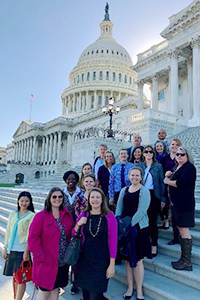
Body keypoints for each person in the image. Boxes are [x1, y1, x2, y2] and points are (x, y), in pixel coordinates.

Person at [28, 187, 74, 299]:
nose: (57, 199)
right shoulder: (41, 216)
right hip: (46, 262)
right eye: (54, 197)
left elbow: (71, 233)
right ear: (49, 198)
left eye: (60, 197)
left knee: (55, 290)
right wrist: (41, 256)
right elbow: (33, 238)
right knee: (44, 291)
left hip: (62, 262)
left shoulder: (67, 214)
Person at [74, 187, 117, 300]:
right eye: (92, 197)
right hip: (85, 260)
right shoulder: (84, 215)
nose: (95, 200)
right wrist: (78, 224)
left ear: (102, 200)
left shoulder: (109, 216)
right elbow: (73, 233)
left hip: (101, 261)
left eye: (98, 197)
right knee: (86, 295)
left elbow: (113, 241)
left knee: (95, 295)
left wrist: (112, 264)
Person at [116, 167, 151, 300]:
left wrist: (129, 224)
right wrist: (118, 222)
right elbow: (119, 207)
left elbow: (142, 211)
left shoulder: (145, 191)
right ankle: (130, 288)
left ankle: (140, 290)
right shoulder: (124, 190)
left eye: (137, 176)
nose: (135, 178)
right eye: (132, 175)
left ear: (141, 177)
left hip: (138, 229)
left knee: (138, 260)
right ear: (129, 176)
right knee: (127, 260)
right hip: (125, 229)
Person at [164, 148, 196, 271]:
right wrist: (169, 174)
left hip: (184, 205)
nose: (179, 156)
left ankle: (187, 261)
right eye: (177, 154)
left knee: (184, 231)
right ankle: (183, 259)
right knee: (180, 229)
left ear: (187, 156)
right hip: (177, 205)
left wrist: (168, 181)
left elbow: (182, 183)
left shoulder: (189, 167)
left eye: (182, 154)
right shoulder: (178, 167)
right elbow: (175, 176)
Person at [3, 191, 35, 300]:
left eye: (26, 201)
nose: (24, 203)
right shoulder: (13, 214)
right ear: (18, 201)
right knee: (14, 276)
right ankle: (16, 297)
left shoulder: (31, 216)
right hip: (12, 249)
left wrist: (27, 252)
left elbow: (30, 236)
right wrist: (5, 247)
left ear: (30, 202)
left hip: (22, 250)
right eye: (22, 200)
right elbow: (8, 231)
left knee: (21, 278)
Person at [140, 145, 165, 256]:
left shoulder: (158, 166)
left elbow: (161, 183)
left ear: (153, 154)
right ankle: (145, 244)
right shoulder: (139, 166)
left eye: (151, 151)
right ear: (143, 153)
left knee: (153, 221)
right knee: (143, 221)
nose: (148, 153)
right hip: (142, 195)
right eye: (146, 151)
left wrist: (163, 198)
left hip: (154, 195)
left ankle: (154, 244)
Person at [62, 170, 81, 294]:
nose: (71, 181)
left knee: (76, 257)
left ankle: (75, 283)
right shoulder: (60, 194)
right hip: (63, 229)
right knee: (63, 256)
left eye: (73, 179)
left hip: (78, 229)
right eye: (69, 179)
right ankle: (62, 281)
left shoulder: (82, 194)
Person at [160, 138, 182, 236]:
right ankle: (165, 220)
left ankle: (174, 225)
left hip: (176, 184)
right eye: (172, 144)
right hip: (166, 182)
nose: (174, 146)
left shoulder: (180, 157)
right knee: (166, 201)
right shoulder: (165, 158)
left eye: (176, 145)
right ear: (169, 146)